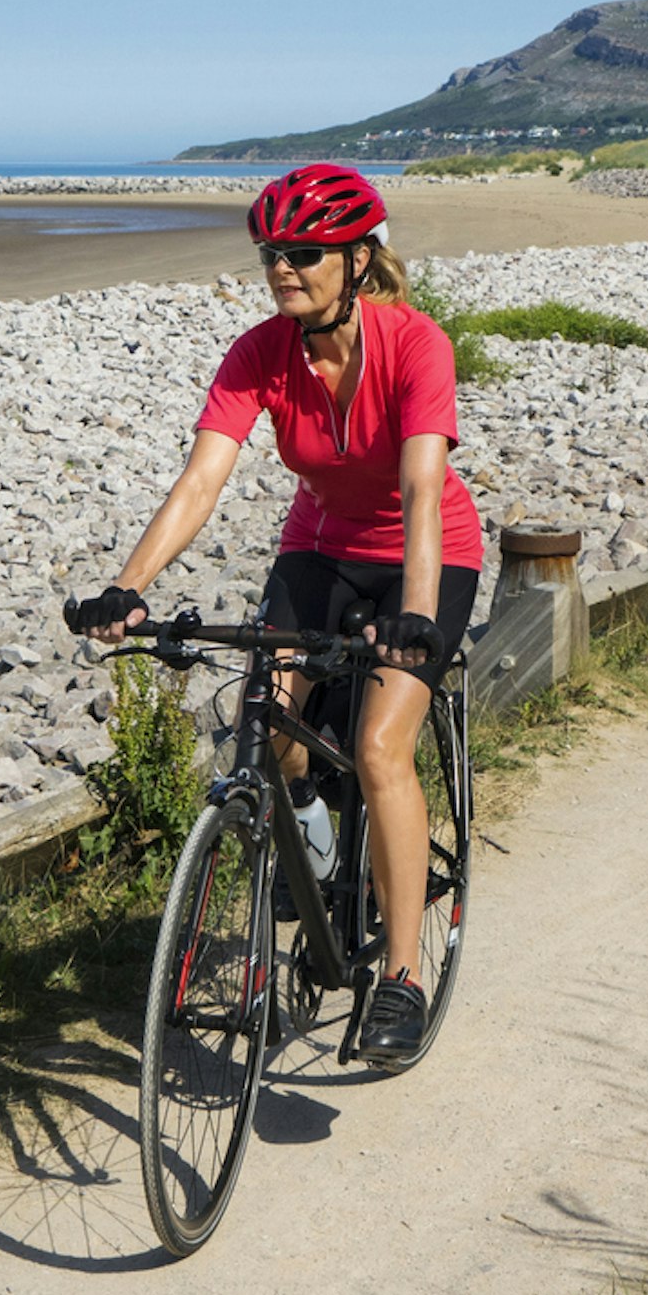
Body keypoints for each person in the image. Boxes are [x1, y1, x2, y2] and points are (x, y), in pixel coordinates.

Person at [68, 163, 482, 1064]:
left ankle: (402, 976)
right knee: (274, 723)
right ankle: (314, 835)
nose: (283, 268)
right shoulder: (260, 352)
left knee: (379, 747)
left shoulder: (417, 344)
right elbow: (202, 479)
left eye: (303, 252)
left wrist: (413, 615)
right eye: (271, 254)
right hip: (319, 549)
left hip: (427, 555)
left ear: (359, 260)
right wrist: (129, 585)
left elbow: (421, 488)